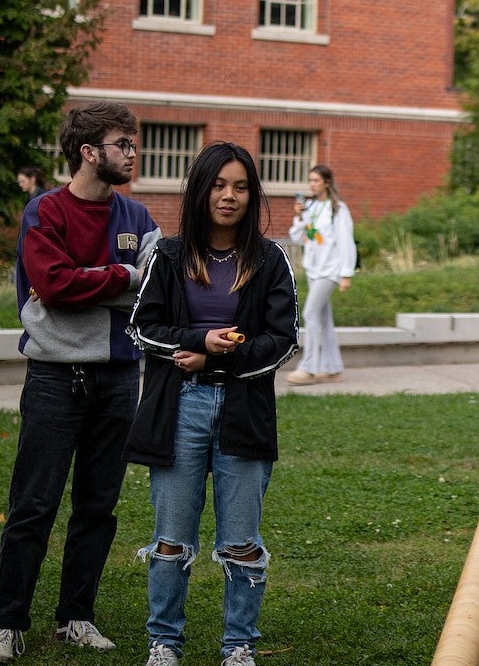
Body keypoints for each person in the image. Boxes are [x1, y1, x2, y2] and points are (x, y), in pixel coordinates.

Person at [0, 102, 161, 663]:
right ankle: (7, 624)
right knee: (33, 504)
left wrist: (100, 281)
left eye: (133, 144)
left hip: (117, 376)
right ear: (88, 152)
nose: (133, 153)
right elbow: (52, 284)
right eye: (121, 144)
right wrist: (122, 279)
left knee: (98, 505)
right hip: (55, 378)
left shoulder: (137, 217)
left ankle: (75, 617)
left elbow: (156, 284)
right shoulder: (45, 211)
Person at [124, 142, 299, 666]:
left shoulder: (269, 259)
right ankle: (164, 642)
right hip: (179, 409)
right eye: (220, 185)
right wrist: (201, 342)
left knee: (242, 537)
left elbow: (284, 339)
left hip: (244, 410)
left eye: (241, 187)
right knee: (172, 537)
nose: (230, 196)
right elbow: (141, 327)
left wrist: (217, 360)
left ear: (253, 194)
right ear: (201, 190)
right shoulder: (169, 255)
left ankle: (239, 645)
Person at [285, 164, 356, 385]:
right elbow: (298, 238)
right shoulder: (311, 207)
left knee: (310, 313)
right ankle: (333, 368)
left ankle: (309, 368)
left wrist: (346, 273)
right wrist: (298, 218)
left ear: (326, 182)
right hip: (315, 270)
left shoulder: (338, 209)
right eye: (310, 181)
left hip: (331, 270)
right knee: (324, 320)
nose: (312, 185)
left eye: (316, 180)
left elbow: (346, 241)